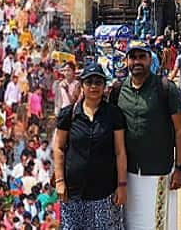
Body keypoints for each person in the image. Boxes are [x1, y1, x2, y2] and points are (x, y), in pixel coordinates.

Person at [116, 41, 181, 230]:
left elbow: (180, 129)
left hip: (159, 170)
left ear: (150, 59)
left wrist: (180, 168)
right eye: (133, 57)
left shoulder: (166, 88)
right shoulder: (119, 89)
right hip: (129, 171)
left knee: (158, 222)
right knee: (131, 222)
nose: (137, 61)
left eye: (142, 57)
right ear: (126, 61)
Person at [54, 63, 127, 230]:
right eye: (89, 82)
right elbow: (58, 147)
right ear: (82, 85)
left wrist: (122, 186)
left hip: (104, 192)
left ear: (104, 86)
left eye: (98, 82)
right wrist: (59, 181)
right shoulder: (69, 114)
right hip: (73, 193)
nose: (94, 86)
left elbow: (120, 151)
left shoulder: (113, 114)